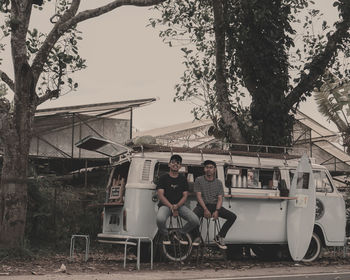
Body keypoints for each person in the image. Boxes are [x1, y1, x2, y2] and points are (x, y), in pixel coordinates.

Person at [156, 154, 200, 245]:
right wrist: (172, 207)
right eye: (173, 162)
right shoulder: (163, 178)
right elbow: (161, 195)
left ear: (180, 166)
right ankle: (165, 235)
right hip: (166, 206)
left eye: (178, 163)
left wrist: (177, 206)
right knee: (160, 219)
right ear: (169, 164)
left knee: (195, 220)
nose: (175, 164)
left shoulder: (183, 179)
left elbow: (185, 196)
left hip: (179, 206)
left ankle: (180, 233)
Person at [193, 160, 237, 249]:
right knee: (193, 217)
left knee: (232, 216)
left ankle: (219, 236)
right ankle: (197, 237)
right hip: (202, 206)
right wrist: (205, 209)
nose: (209, 169)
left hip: (215, 206)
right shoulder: (199, 180)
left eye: (211, 167)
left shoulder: (219, 182)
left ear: (215, 169)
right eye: (207, 167)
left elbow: (220, 198)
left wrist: (217, 210)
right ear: (204, 169)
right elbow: (199, 196)